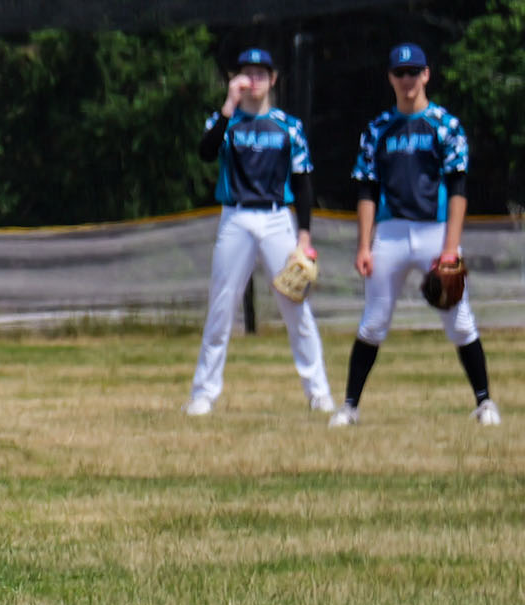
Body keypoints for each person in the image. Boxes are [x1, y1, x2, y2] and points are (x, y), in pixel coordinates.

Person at [332, 44, 500, 427]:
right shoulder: (377, 129)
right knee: (373, 323)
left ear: (426, 74)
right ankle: (350, 407)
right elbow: (367, 190)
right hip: (389, 234)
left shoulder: (445, 125)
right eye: (400, 72)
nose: (407, 79)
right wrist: (363, 244)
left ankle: (485, 402)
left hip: (435, 231)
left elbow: (458, 188)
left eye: (414, 71)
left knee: (459, 321)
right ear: (391, 78)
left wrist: (450, 248)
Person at [184, 47, 334, 415]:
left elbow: (303, 183)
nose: (255, 80)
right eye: (247, 73)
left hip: (275, 218)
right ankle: (204, 392)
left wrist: (304, 236)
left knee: (295, 305)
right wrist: (227, 105)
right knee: (222, 306)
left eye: (261, 73)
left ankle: (318, 392)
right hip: (235, 218)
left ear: (274, 79)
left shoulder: (288, 126)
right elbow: (205, 152)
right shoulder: (227, 123)